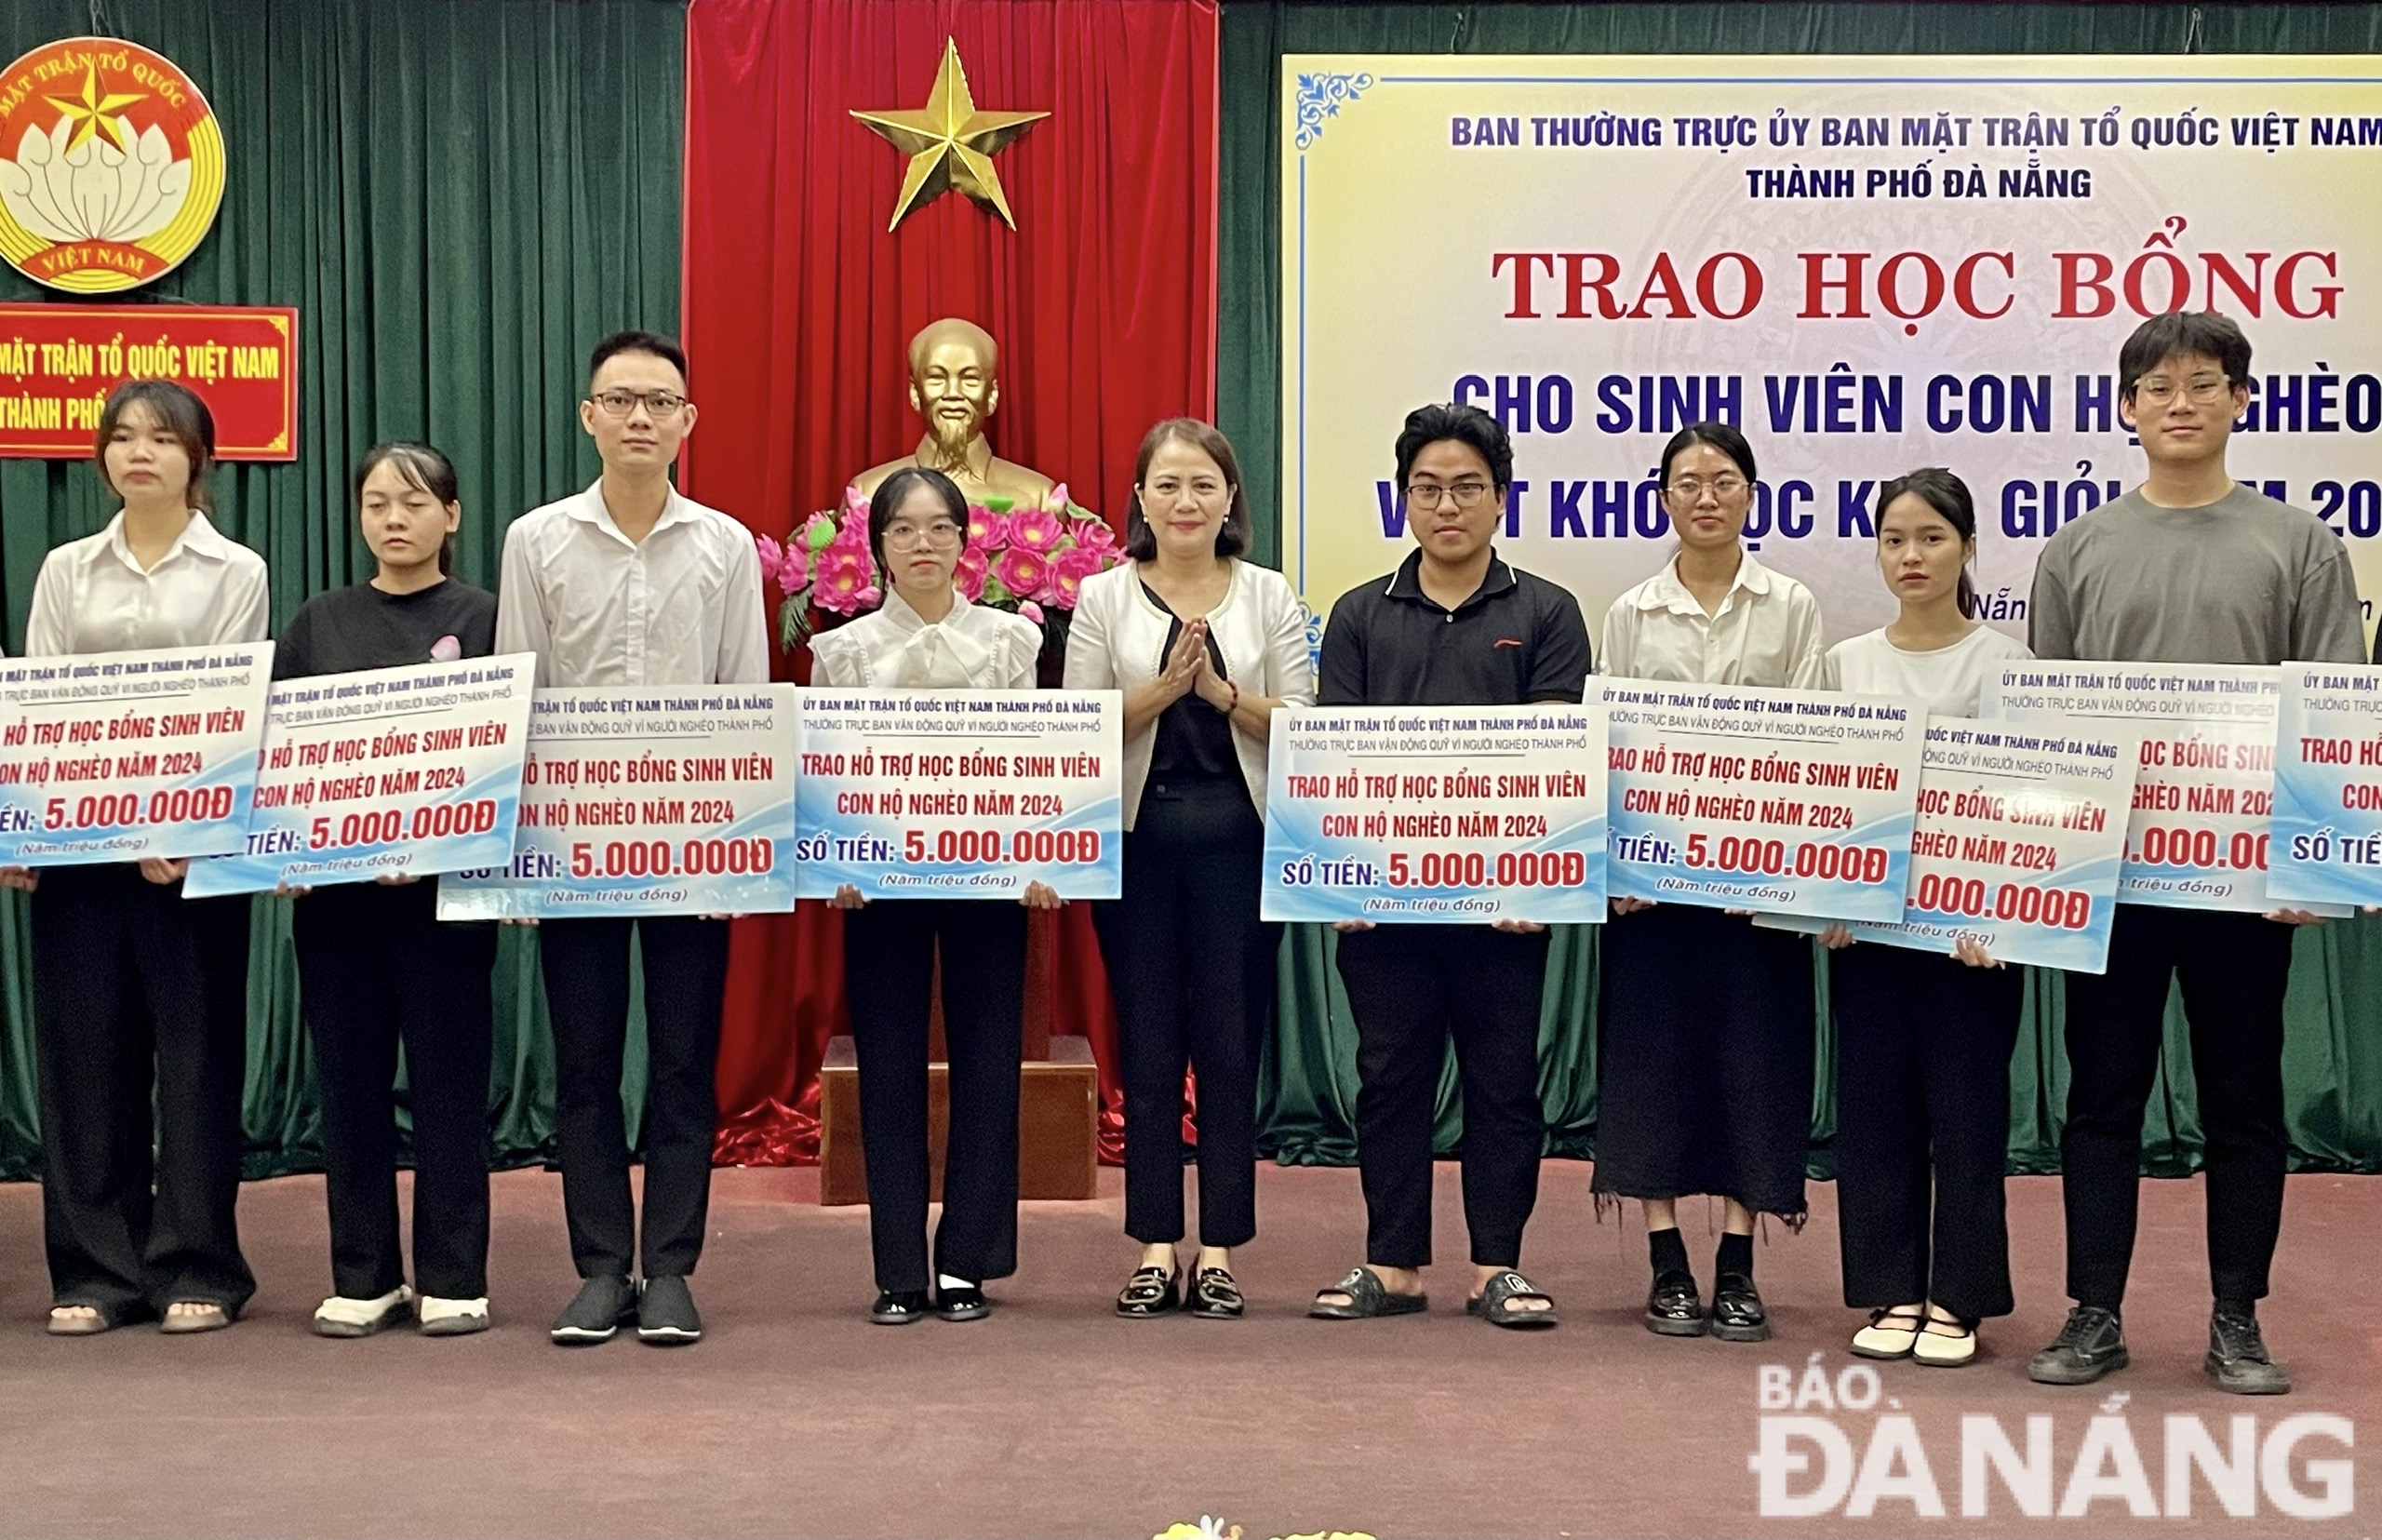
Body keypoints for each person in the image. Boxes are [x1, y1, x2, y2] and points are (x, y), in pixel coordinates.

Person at [2025, 312, 2364, 1395]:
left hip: (2244, 884)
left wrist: (2312, 868)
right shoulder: (2075, 549)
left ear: (2238, 401)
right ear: (2125, 408)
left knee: (2243, 1100)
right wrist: (2051, 864)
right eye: (2158, 384)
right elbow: (2049, 726)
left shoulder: (2298, 543)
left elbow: (2333, 711)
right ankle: (2093, 1310)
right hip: (2114, 883)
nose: (2181, 401)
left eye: (2204, 382)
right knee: (2101, 1099)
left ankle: (2236, 1314)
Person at [496, 330, 769, 1346]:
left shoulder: (726, 544)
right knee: (585, 1062)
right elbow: (518, 691)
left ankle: (672, 1266)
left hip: (696, 843)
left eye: (660, 401)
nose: (641, 418)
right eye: (621, 400)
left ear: (689, 421)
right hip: (577, 847)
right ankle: (601, 1264)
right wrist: (524, 848)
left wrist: (736, 850)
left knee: (686, 1064)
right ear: (588, 416)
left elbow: (743, 694)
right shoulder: (536, 540)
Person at [1305, 402, 1590, 1329]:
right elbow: (1337, 761)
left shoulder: (1545, 611)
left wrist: (1532, 882)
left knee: (1502, 1080)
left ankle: (1496, 1263)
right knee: (1388, 1075)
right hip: (1383, 906)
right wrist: (1343, 879)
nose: (1447, 505)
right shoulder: (1357, 614)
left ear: (1500, 498)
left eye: (1467, 486)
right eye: (1426, 487)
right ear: (1404, 501)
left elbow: (1554, 761)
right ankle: (1390, 1260)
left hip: (1503, 905)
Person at [20, 381, 269, 1336]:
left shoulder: (233, 567)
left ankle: (198, 1261)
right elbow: (40, 702)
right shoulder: (66, 569)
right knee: (85, 1058)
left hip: (190, 855)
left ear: (198, 459)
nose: (139, 453)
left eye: (162, 439)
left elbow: (228, 703)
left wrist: (182, 824)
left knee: (197, 1057)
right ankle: (96, 1269)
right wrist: (26, 831)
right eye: (122, 437)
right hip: (77, 855)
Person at [1064, 420, 1313, 1319]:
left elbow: (1305, 724)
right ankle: (1153, 1243)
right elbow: (1076, 727)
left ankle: (1219, 1249)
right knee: (1150, 1040)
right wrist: (1165, 693)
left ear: (1229, 498)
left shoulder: (1268, 594)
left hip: (1240, 843)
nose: (1185, 501)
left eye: (1203, 484)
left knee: (1230, 1039)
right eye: (1166, 485)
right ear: (1140, 500)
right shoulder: (1102, 598)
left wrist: (1222, 696)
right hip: (1136, 842)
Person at [1595, 421, 1825, 1345]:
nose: (1704, 496)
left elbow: (1809, 742)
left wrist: (1776, 870)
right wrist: (1616, 865)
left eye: (1723, 480)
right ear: (1661, 497)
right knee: (1652, 1064)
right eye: (1685, 481)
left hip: (1752, 895)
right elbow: (1604, 750)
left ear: (1749, 494)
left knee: (1752, 1067)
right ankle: (1665, 1262)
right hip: (1652, 895)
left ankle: (1736, 1261)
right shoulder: (1630, 611)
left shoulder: (1791, 604)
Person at [810, 466, 1052, 1325]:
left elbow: (1035, 758)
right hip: (877, 885)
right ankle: (898, 1267)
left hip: (991, 877)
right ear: (875, 546)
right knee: (887, 1066)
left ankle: (967, 1261)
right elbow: (826, 773)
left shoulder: (1011, 640)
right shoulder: (839, 651)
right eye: (904, 530)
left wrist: (1039, 854)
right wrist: (831, 857)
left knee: (990, 1062)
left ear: (967, 542)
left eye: (940, 528)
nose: (923, 544)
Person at [277, 443, 501, 1338]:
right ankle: (364, 1271)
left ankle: (453, 1272)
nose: (393, 518)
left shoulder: (486, 619)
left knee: (450, 1077)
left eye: (413, 502)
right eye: (375, 503)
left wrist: (441, 839)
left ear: (452, 516)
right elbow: (282, 750)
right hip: (337, 900)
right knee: (350, 1079)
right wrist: (286, 846)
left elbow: (505, 750)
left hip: (443, 897)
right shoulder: (318, 622)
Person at [1819, 467, 2032, 1368]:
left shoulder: (2007, 663)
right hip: (1867, 934)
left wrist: (2001, 918)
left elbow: (2025, 804)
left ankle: (1958, 1295)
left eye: (1932, 537)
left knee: (1967, 1114)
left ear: (1968, 546)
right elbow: (1824, 794)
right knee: (1873, 1112)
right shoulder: (1845, 662)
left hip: (1969, 944)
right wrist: (1821, 900)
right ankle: (1891, 1284)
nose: (1912, 555)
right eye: (1895, 539)